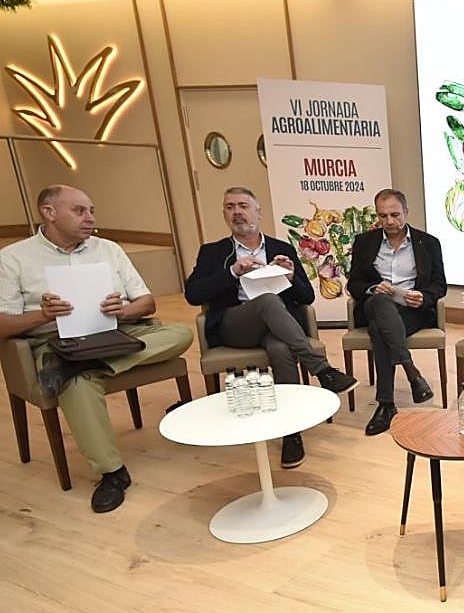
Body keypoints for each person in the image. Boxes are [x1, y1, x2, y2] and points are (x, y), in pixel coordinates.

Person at [0, 185, 194, 513]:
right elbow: (3, 325)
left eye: (91, 210)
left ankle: (82, 364)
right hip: (56, 343)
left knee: (180, 335)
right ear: (48, 213)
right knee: (76, 386)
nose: (90, 218)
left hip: (116, 333)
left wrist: (125, 310)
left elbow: (146, 302)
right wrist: (42, 315)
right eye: (80, 211)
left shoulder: (108, 249)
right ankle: (113, 474)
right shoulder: (13, 259)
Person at [184, 186, 356, 469]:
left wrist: (289, 276)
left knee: (281, 349)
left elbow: (307, 297)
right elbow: (194, 295)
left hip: (277, 329)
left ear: (258, 212)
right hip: (235, 325)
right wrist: (232, 272)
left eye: (243, 205)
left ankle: (291, 434)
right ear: (224, 214)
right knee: (266, 301)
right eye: (230, 207)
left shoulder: (281, 249)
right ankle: (323, 370)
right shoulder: (213, 252)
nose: (237, 212)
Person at [347, 188, 447, 436]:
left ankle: (387, 404)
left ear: (406, 212)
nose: (389, 221)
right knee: (381, 304)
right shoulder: (364, 242)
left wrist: (424, 297)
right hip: (374, 304)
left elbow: (439, 284)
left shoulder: (428, 243)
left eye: (394, 214)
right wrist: (372, 288)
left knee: (381, 331)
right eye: (383, 216)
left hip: (412, 311)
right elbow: (354, 284)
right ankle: (411, 372)